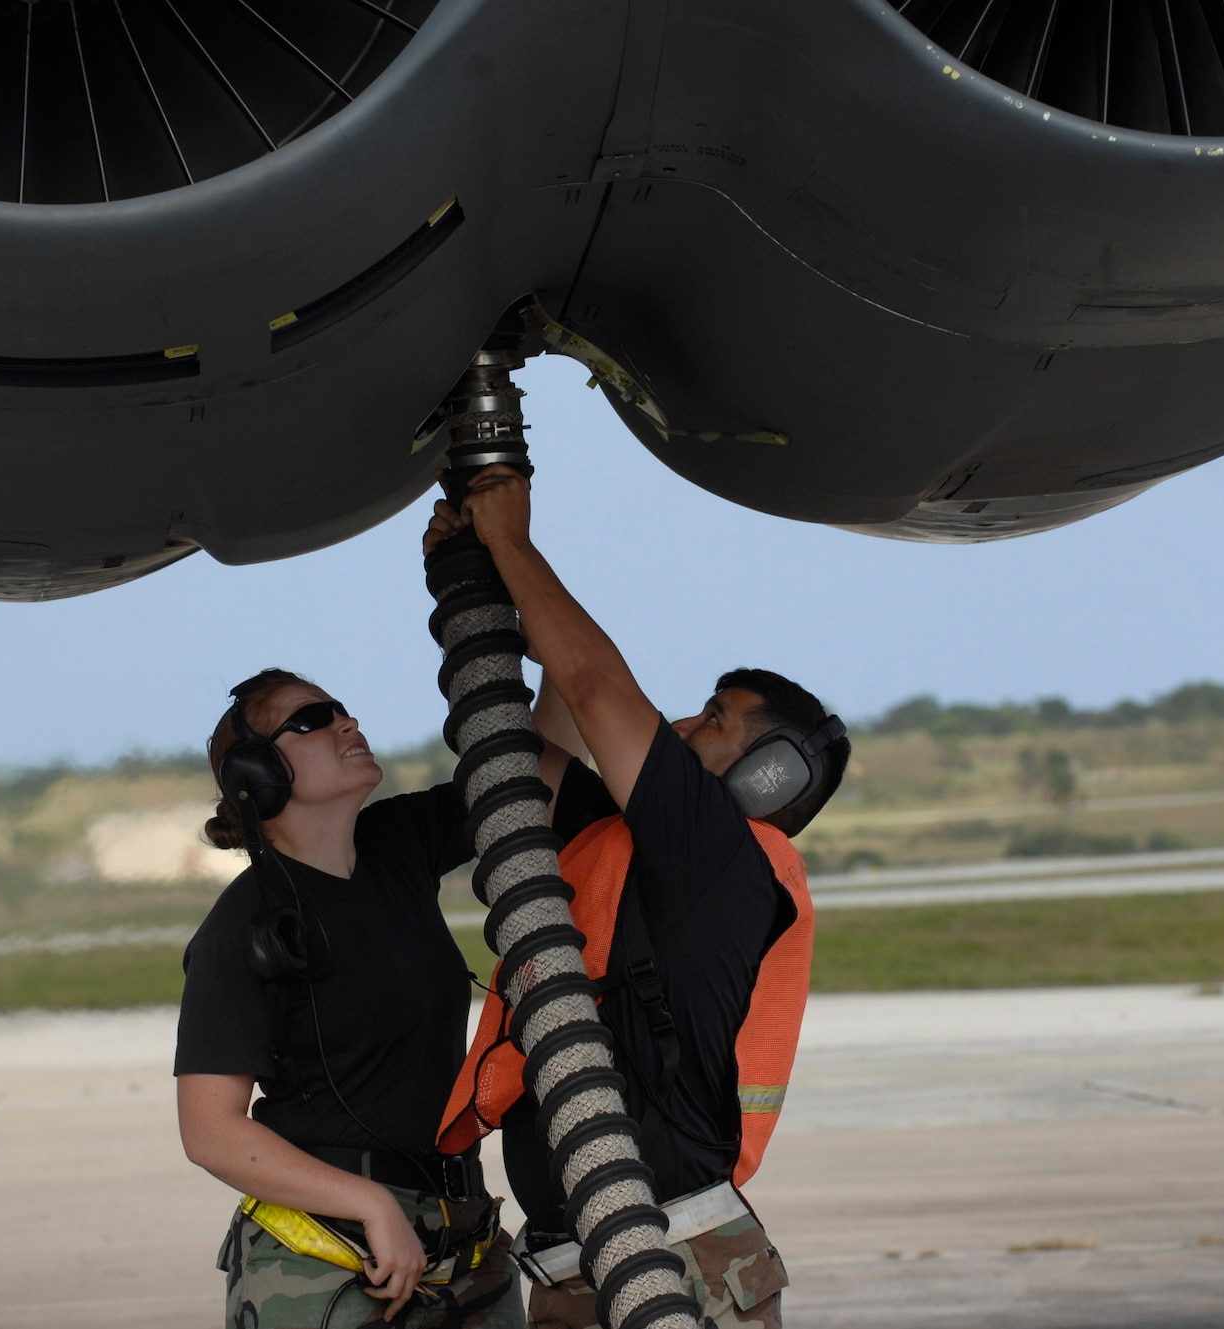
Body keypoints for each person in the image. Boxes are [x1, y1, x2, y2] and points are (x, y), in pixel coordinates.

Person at [422, 471, 850, 1329]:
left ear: (769, 778)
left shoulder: (722, 858)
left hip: (673, 1262)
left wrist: (512, 543)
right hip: (574, 1268)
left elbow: (595, 688)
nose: (682, 726)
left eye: (714, 716)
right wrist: (478, 580)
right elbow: (529, 760)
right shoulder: (629, 844)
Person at [174, 669, 525, 1329]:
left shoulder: (401, 843)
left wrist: (553, 663)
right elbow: (211, 1131)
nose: (347, 722)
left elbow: (527, 779)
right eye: (312, 719)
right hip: (330, 1251)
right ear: (259, 771)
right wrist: (369, 1203)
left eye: (341, 709)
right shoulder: (244, 928)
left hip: (461, 1232)